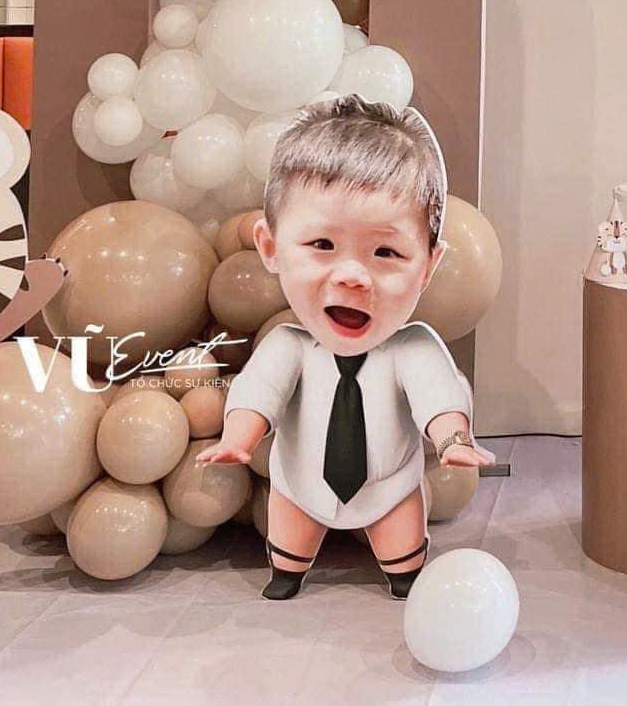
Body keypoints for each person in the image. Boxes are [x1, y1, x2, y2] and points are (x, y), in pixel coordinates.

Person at [194, 96, 492, 602]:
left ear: (428, 265)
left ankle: (403, 572)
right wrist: (238, 438)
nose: (352, 276)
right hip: (300, 480)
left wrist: (453, 440)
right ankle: (287, 570)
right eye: (322, 245)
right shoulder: (288, 346)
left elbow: (438, 397)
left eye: (386, 252)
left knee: (401, 537)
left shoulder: (412, 348)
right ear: (270, 246)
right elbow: (259, 391)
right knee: (291, 528)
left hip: (389, 484)